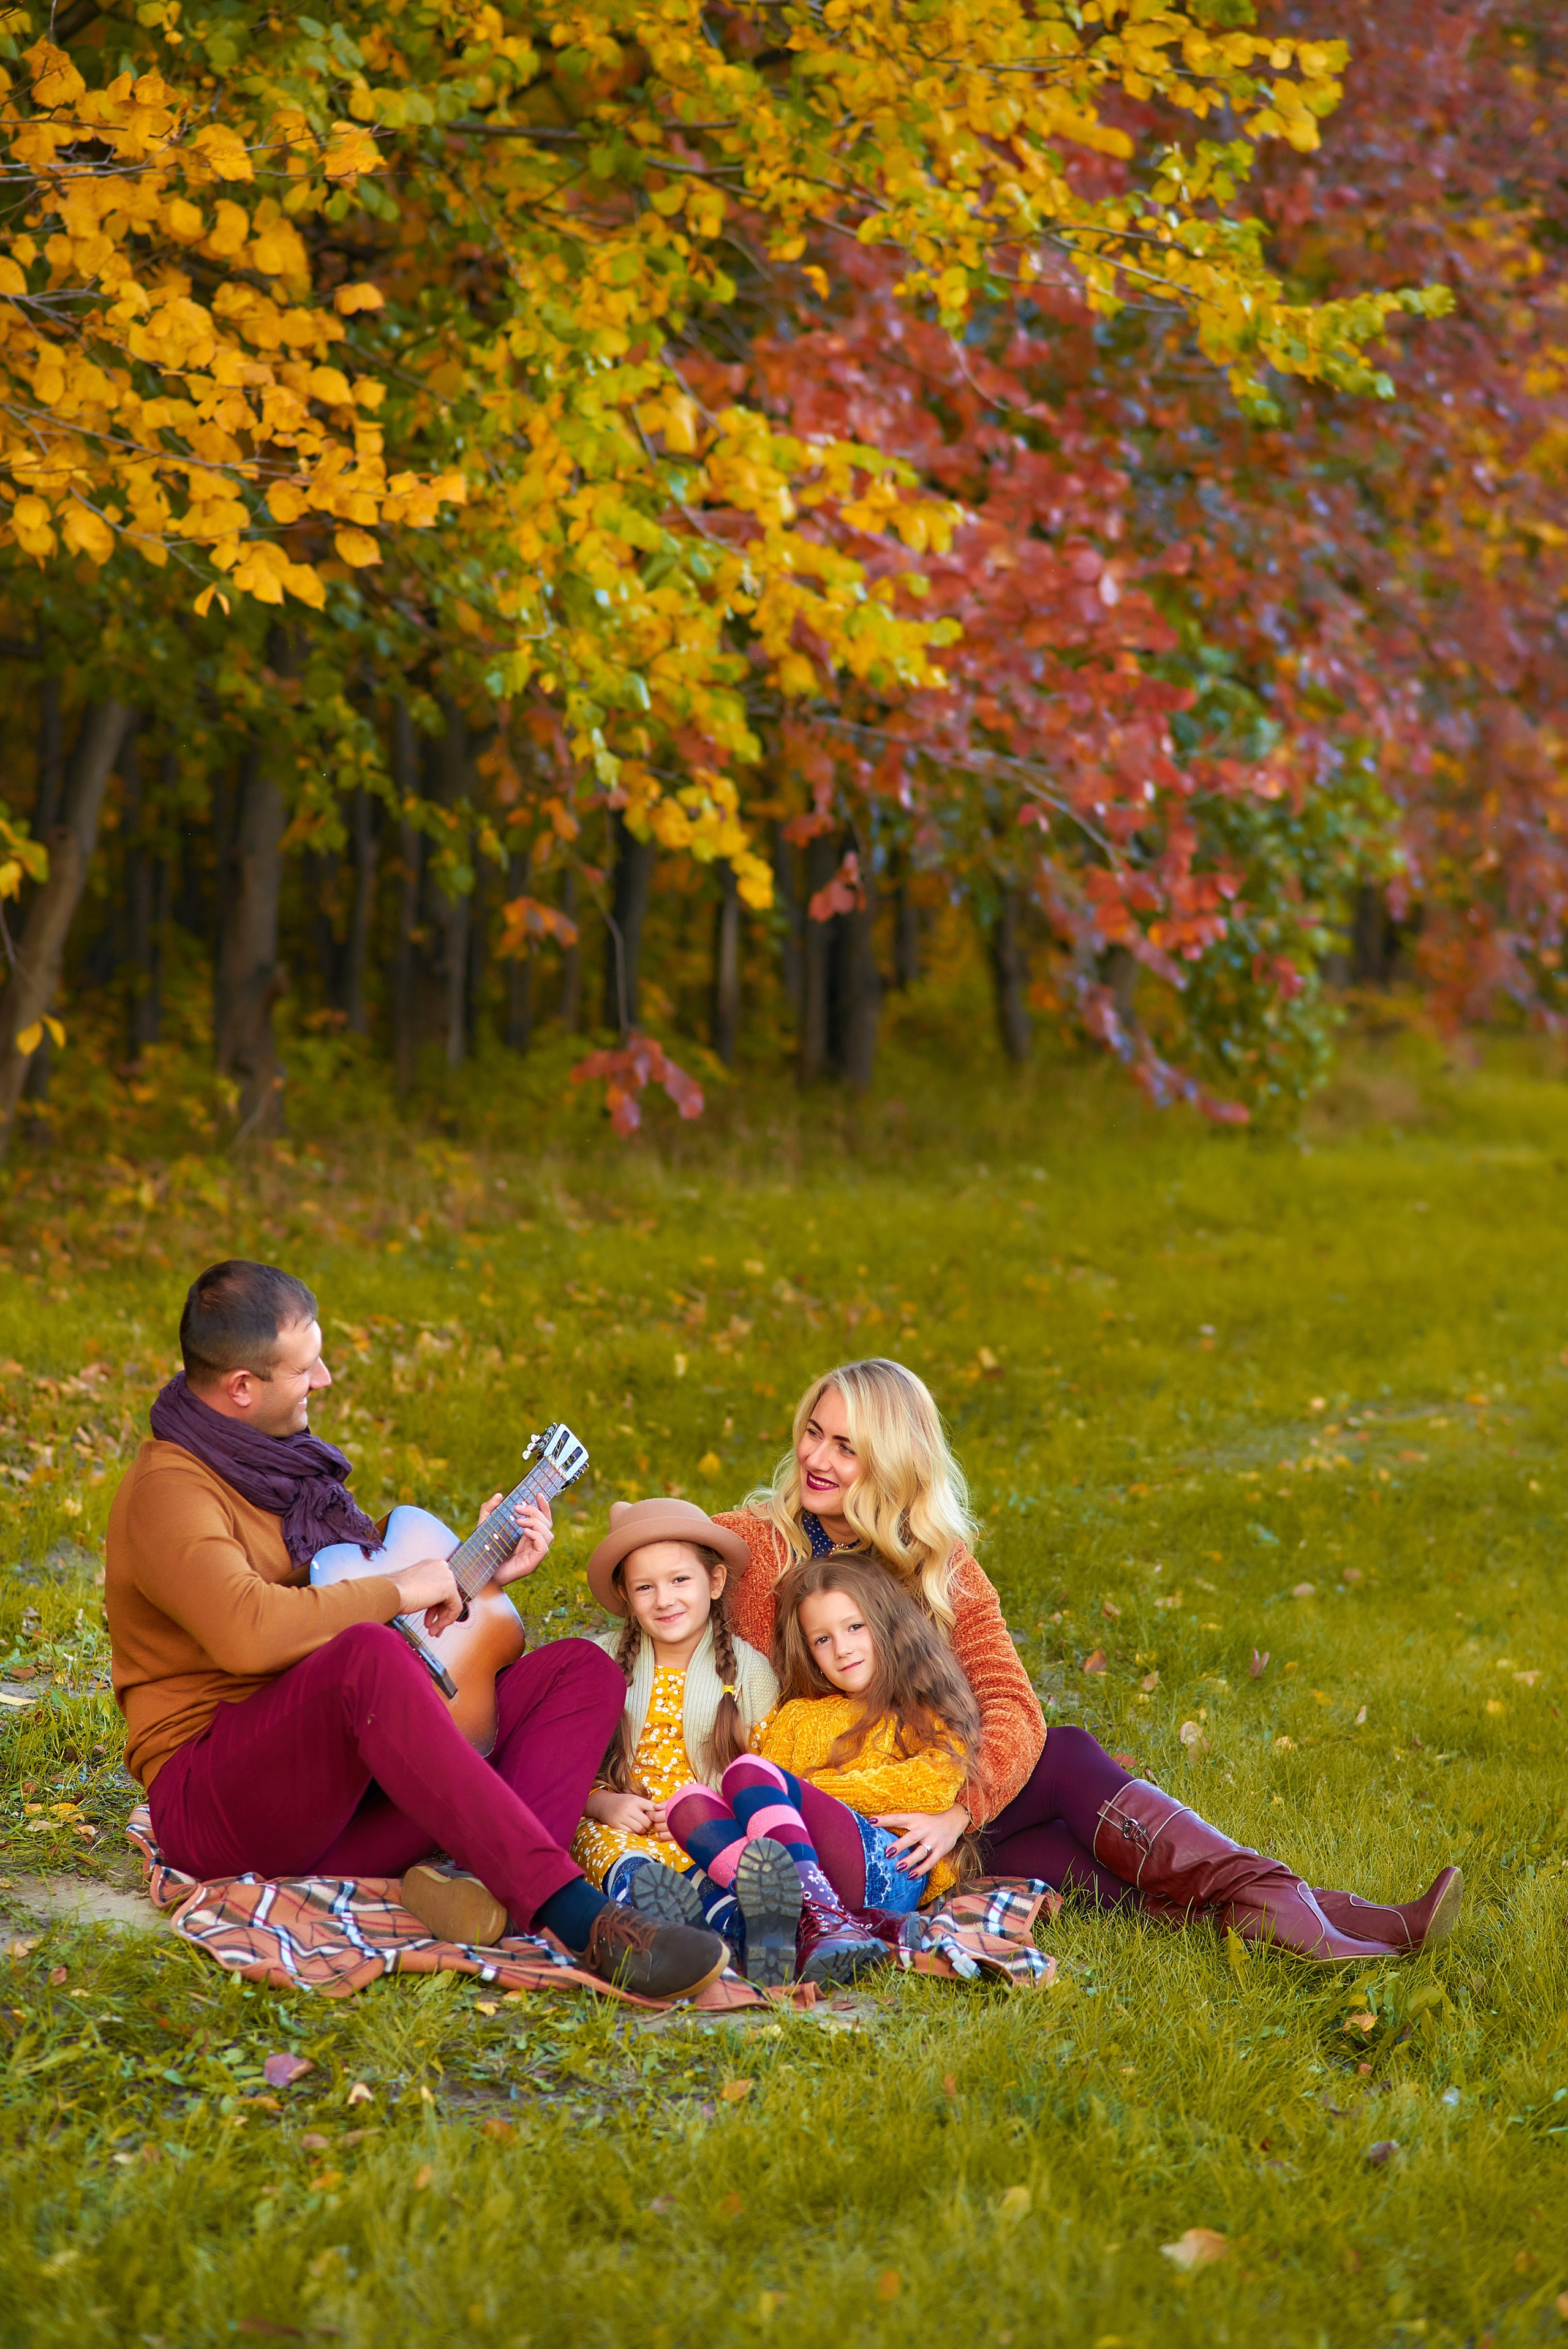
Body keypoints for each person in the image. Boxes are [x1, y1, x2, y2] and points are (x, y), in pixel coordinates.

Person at [104, 1260, 728, 2000]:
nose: (326, 1378)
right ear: (241, 1387)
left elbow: (352, 1595)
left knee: (579, 1670)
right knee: (366, 1655)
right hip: (222, 1806)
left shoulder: (284, 1470)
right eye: (306, 1367)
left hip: (339, 1806)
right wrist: (402, 1586)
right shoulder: (170, 1492)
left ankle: (478, 1884)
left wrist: (479, 1576)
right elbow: (252, 1632)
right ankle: (576, 1917)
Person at [716, 1357, 1463, 1961]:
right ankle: (1333, 1925)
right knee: (1073, 1790)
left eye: (846, 1446)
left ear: (892, 1462)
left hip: (950, 1806)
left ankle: (1325, 1926)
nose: (815, 1457)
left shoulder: (941, 1566)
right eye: (813, 1432)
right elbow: (661, 1554)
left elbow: (1010, 1702)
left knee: (1069, 1788)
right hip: (857, 1811)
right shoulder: (758, 1546)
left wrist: (958, 1809)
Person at [645, 1552, 984, 1986]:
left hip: (887, 1866)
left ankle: (777, 1919)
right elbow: (763, 1810)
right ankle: (787, 1929)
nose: (841, 1648)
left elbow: (933, 1786)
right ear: (807, 1650)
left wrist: (803, 1792)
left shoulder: (919, 1707)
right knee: (687, 1804)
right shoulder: (797, 1716)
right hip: (809, 1864)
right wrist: (783, 1797)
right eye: (821, 1639)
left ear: (889, 1624)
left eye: (854, 1627)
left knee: (749, 1774)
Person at [571, 1498, 778, 1940]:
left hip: (711, 1830)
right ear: (626, 1594)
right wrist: (601, 1803)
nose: (665, 1600)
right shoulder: (600, 1661)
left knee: (723, 1866)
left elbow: (767, 1774)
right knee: (606, 1850)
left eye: (680, 1579)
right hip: (623, 1830)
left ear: (715, 1581)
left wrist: (711, 1809)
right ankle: (662, 1920)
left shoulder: (750, 1672)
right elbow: (563, 1766)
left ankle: (737, 1927)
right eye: (645, 1587)